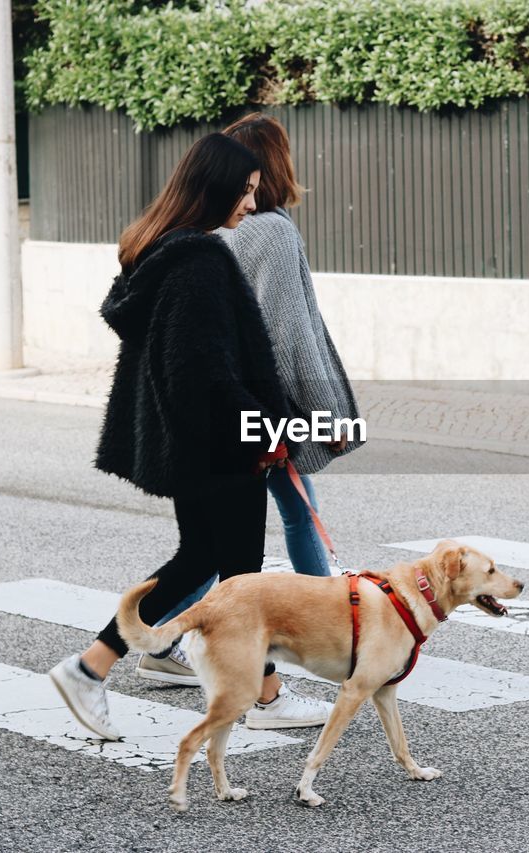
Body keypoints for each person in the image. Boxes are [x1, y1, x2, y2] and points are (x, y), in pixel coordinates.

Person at [48, 132, 333, 741]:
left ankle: (94, 668)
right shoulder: (199, 262)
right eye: (246, 193)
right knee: (237, 574)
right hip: (220, 443)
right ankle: (262, 694)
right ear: (215, 188)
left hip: (192, 443)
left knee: (207, 563)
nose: (252, 207)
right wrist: (268, 430)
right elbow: (203, 371)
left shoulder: (160, 251)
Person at [132, 113, 364, 689]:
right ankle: (326, 638)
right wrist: (326, 413)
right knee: (238, 540)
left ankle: (143, 642)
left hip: (220, 406)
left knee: (260, 521)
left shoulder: (215, 231)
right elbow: (290, 333)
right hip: (264, 406)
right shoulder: (275, 232)